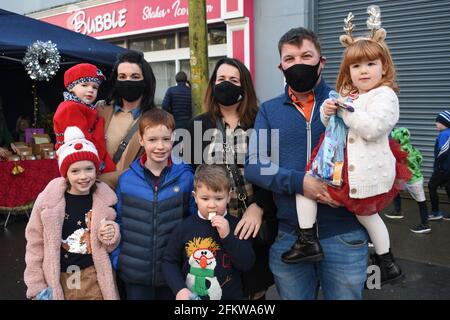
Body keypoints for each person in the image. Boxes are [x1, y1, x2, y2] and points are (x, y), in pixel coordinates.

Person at [283, 7, 409, 286]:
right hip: (343, 167)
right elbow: (331, 126)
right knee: (310, 189)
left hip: (363, 172)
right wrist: (328, 110)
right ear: (347, 71)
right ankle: (312, 242)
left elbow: (372, 127)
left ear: (384, 67)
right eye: (355, 66)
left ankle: (384, 261)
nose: (363, 71)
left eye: (370, 64)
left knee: (366, 214)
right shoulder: (351, 94)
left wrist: (345, 111)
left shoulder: (385, 96)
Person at [245, 26, 370, 300]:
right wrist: (300, 182)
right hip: (290, 236)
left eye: (306, 56)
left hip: (343, 234)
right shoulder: (269, 110)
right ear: (281, 66)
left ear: (321, 62)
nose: (298, 64)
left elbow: (373, 155)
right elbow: (254, 164)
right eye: (290, 59)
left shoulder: (348, 104)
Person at [186, 57, 276, 300]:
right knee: (221, 291)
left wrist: (260, 206)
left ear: (244, 86)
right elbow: (191, 174)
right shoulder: (198, 125)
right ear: (213, 84)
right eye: (221, 79)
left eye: (234, 80)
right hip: (214, 224)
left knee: (255, 290)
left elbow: (272, 170)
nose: (227, 84)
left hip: (252, 223)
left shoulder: (260, 120)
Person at [24, 126, 120, 300]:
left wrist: (111, 234)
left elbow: (110, 246)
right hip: (59, 279)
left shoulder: (105, 201)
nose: (83, 176)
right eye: (75, 171)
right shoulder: (48, 202)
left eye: (89, 169)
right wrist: (36, 285)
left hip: (94, 278)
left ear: (96, 169)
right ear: (65, 173)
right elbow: (34, 244)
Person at [111, 108, 197, 300]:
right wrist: (119, 261)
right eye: (152, 140)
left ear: (173, 138)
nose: (160, 146)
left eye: (165, 139)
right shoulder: (126, 180)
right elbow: (119, 222)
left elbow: (193, 224)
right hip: (135, 275)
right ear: (141, 140)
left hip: (173, 276)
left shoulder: (185, 178)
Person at [162, 164, 255, 300]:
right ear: (195, 197)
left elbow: (247, 264)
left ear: (228, 196)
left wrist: (227, 236)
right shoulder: (184, 228)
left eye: (218, 198)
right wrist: (179, 289)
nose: (212, 205)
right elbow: (169, 261)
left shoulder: (237, 226)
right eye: (205, 198)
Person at [96, 50, 157, 189]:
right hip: (95, 195)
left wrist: (101, 181)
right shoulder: (100, 110)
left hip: (130, 195)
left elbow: (151, 166)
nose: (128, 81)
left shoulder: (156, 119)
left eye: (135, 76)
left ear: (146, 81)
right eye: (122, 76)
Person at [53, 63, 115, 174]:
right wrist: (99, 128)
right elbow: (82, 140)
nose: (91, 90)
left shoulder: (82, 107)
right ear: (71, 87)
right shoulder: (70, 108)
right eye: (85, 85)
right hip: (81, 161)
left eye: (95, 87)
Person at [386, 127, 431, 234]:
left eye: (393, 138)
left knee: (421, 202)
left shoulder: (398, 150)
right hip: (410, 178)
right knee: (395, 189)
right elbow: (420, 159)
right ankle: (397, 212)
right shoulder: (411, 147)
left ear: (398, 139)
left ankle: (425, 225)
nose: (391, 139)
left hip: (413, 180)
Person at [427, 110, 450, 221]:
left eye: (437, 122)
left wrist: (438, 166)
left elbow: (443, 151)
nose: (436, 124)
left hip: (443, 169)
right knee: (448, 187)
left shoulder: (444, 134)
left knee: (431, 186)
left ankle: (436, 212)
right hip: (447, 168)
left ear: (444, 123)